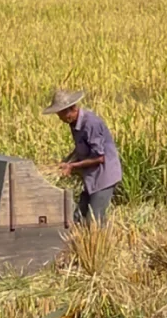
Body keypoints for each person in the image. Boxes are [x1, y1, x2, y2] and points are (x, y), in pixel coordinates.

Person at [43, 87, 122, 223]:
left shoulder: (90, 124)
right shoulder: (73, 123)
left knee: (94, 220)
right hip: (92, 177)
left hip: (104, 176)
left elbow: (99, 157)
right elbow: (81, 148)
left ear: (72, 109)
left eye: (61, 114)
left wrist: (72, 166)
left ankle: (99, 243)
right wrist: (66, 162)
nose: (60, 118)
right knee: (78, 218)